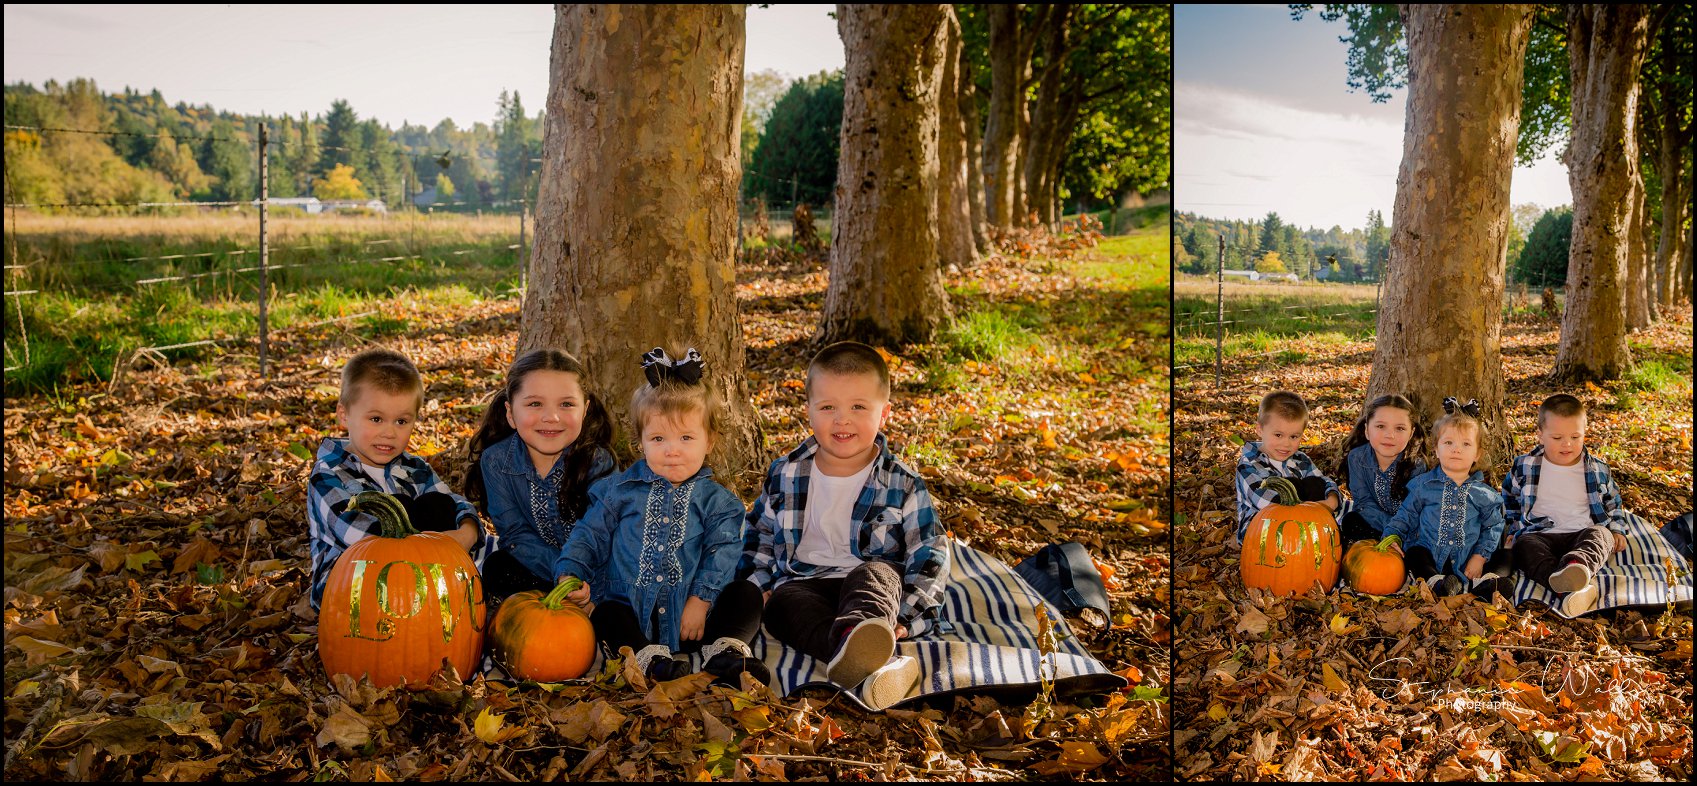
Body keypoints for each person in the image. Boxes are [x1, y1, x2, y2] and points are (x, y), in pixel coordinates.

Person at [740, 341, 948, 709]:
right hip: (804, 582)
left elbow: (929, 553)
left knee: (875, 575)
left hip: (868, 584)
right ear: (809, 411)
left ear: (883, 414)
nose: (842, 419)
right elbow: (759, 537)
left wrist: (909, 617)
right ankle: (869, 662)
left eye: (857, 407)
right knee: (783, 607)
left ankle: (865, 637)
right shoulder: (786, 473)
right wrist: (761, 588)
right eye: (828, 407)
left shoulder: (901, 483)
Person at [553, 348, 767, 686]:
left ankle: (728, 654)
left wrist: (700, 600)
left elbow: (723, 552)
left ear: (708, 440)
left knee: (746, 594)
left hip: (694, 617)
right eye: (658, 438)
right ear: (640, 441)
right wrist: (570, 573)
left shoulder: (719, 502)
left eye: (686, 438)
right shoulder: (619, 491)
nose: (672, 449)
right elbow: (588, 535)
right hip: (635, 612)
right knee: (606, 613)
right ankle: (649, 660)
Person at [307, 348, 489, 610]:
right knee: (402, 506)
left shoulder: (413, 467)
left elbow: (454, 502)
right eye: (376, 419)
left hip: (420, 571)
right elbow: (360, 536)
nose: (389, 433)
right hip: (353, 591)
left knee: (438, 504)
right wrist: (438, 546)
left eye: (401, 421)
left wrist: (468, 532)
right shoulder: (328, 475)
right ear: (344, 414)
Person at [463, 349, 617, 603]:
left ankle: (591, 610)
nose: (551, 417)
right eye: (535, 403)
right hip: (542, 567)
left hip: (598, 570)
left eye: (566, 404)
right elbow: (515, 534)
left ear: (585, 410)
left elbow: (601, 534)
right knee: (498, 568)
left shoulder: (597, 462)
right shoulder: (497, 462)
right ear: (511, 413)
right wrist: (562, 576)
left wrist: (576, 576)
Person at [1504, 394, 1630, 616]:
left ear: (1584, 433)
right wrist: (1514, 529)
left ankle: (1575, 566)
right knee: (1523, 546)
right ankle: (1569, 591)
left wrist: (1617, 529)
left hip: (1582, 532)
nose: (1567, 444)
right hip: (1540, 533)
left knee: (1602, 536)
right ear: (1540, 436)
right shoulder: (1525, 465)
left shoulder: (1598, 469)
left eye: (1575, 436)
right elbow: (1509, 498)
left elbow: (1613, 501)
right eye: (1557, 437)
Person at [1382, 398, 1509, 599]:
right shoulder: (1422, 486)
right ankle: (1436, 582)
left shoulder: (1484, 494)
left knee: (1505, 555)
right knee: (1414, 553)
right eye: (1448, 442)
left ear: (1478, 453)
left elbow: (1493, 527)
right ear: (1436, 449)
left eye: (1466, 444)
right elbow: (1404, 516)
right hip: (1431, 557)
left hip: (1470, 563)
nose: (1456, 449)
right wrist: (1391, 536)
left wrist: (1479, 557)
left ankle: (1488, 584)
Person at [1233, 390, 1346, 547]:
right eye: (1278, 435)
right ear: (1259, 430)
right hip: (1263, 534)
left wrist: (1332, 499)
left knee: (1315, 484)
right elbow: (1266, 502)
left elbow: (1323, 481)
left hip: (1303, 523)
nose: (1286, 444)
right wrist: (1315, 509)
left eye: (1294, 437)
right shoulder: (1248, 464)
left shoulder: (1300, 459)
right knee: (1293, 484)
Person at [1334, 394, 1428, 545]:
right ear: (1366, 430)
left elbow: (1411, 512)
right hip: (1374, 520)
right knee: (1350, 521)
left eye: (1400, 428)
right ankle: (1379, 545)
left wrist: (1395, 532)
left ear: (1411, 433)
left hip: (1407, 527)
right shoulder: (1357, 458)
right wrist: (1387, 529)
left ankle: (1394, 547)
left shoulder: (1416, 466)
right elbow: (1364, 503)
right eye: (1380, 426)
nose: (1389, 435)